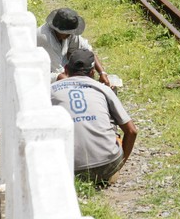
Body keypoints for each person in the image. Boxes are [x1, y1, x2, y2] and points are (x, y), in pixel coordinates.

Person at [51, 49, 137, 186]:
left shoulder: (51, 90)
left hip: (69, 169)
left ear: (66, 69)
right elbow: (132, 131)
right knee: (113, 127)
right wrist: (119, 165)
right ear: (92, 72)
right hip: (107, 166)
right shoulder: (103, 88)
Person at [37, 7, 112, 87]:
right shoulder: (45, 38)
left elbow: (87, 52)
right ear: (58, 30)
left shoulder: (68, 32)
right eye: (68, 33)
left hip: (60, 67)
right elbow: (59, 73)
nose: (70, 35)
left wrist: (102, 73)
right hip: (42, 74)